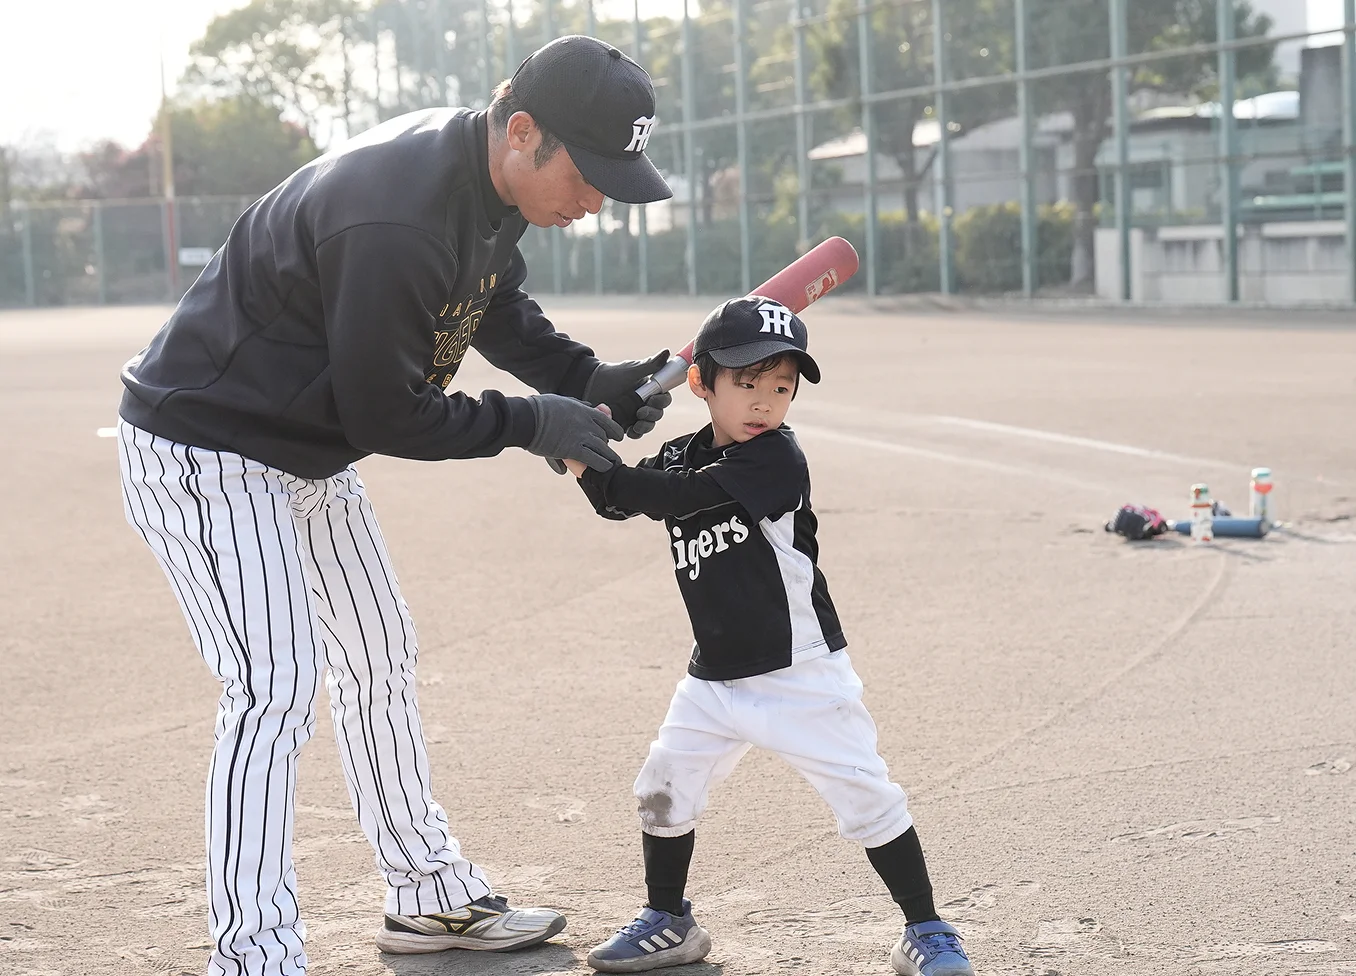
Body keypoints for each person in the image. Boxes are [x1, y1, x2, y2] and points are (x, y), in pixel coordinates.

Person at [116, 34, 676, 976]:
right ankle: (254, 957)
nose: (595, 203)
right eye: (589, 177)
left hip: (304, 452)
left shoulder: (488, 194)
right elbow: (385, 410)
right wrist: (531, 422)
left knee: (380, 651)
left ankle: (426, 896)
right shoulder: (396, 215)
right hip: (206, 449)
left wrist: (592, 380)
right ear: (523, 132)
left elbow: (497, 313)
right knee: (277, 685)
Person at [561, 296, 977, 976]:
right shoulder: (680, 452)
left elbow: (664, 498)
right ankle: (670, 920)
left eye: (780, 386)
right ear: (703, 384)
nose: (764, 401)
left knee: (868, 798)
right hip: (714, 676)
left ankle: (926, 928)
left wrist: (591, 456)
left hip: (799, 672)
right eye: (746, 382)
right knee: (663, 788)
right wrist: (575, 453)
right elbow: (617, 499)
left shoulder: (775, 460)